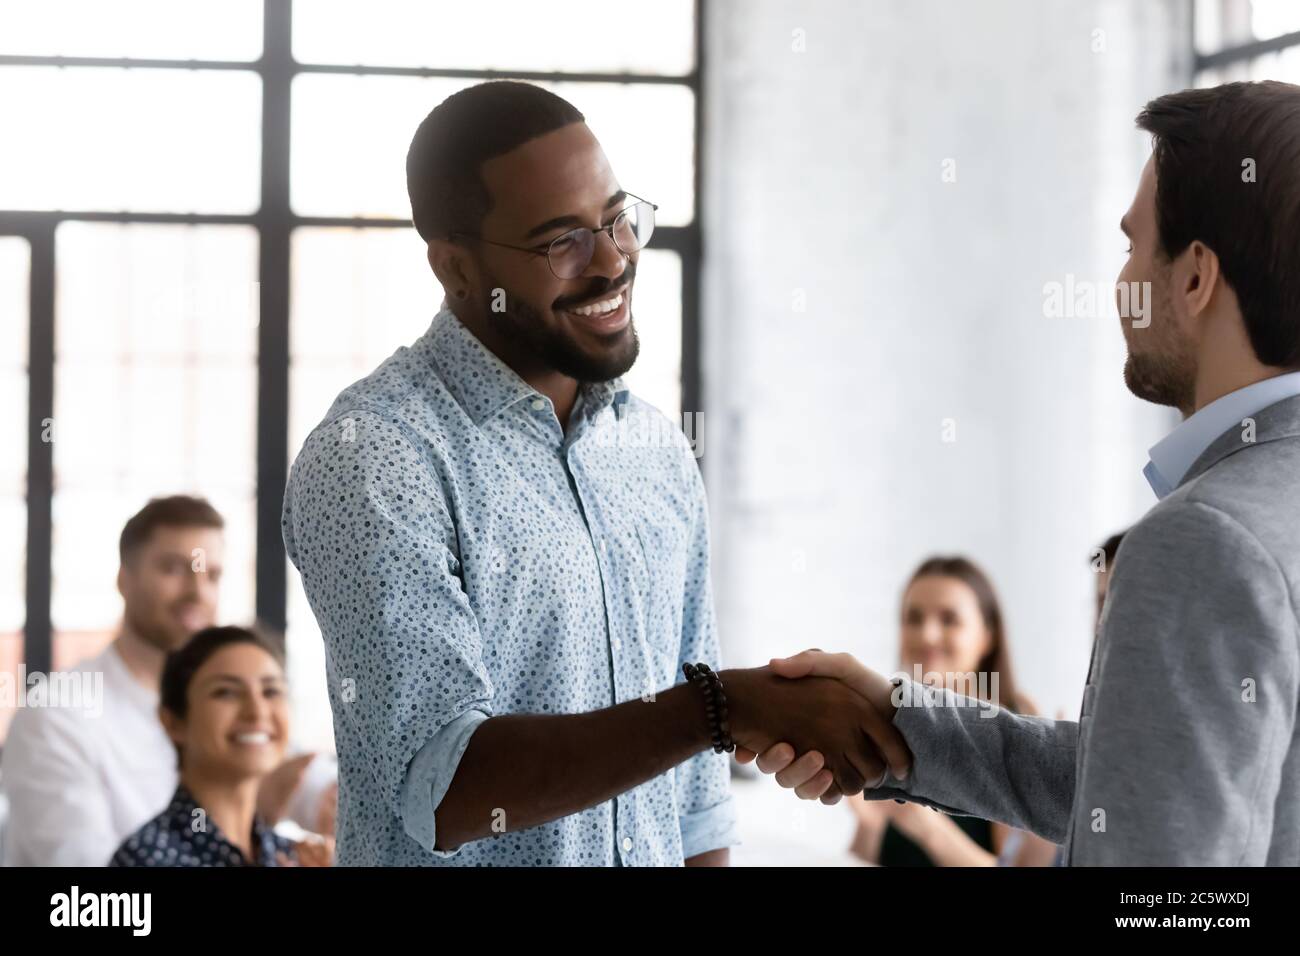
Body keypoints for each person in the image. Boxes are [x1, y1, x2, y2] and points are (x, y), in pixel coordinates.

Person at [281, 81, 908, 866]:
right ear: (457, 269)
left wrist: (716, 716)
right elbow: (447, 794)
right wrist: (719, 707)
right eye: (562, 242)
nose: (613, 260)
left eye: (617, 218)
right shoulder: (375, 455)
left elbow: (695, 807)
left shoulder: (653, 450)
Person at [746, 81, 1300, 866]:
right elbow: (1151, 785)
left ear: (1195, 277)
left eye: (1133, 246)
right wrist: (896, 720)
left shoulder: (1204, 539)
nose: (1118, 286)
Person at [1, 496, 335, 866]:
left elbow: (319, 789)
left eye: (212, 575)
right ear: (124, 579)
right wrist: (248, 807)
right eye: (175, 569)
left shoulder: (247, 708)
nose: (197, 593)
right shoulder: (57, 716)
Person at [844, 557, 1056, 866]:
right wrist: (869, 826)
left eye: (949, 619)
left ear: (987, 636)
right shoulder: (893, 723)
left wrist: (928, 829)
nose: (927, 635)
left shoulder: (1016, 724)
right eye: (914, 618)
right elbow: (862, 856)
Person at [110, 625, 328, 867]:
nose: (257, 712)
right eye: (226, 692)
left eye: (271, 691)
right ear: (173, 722)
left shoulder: (292, 856)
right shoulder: (145, 859)